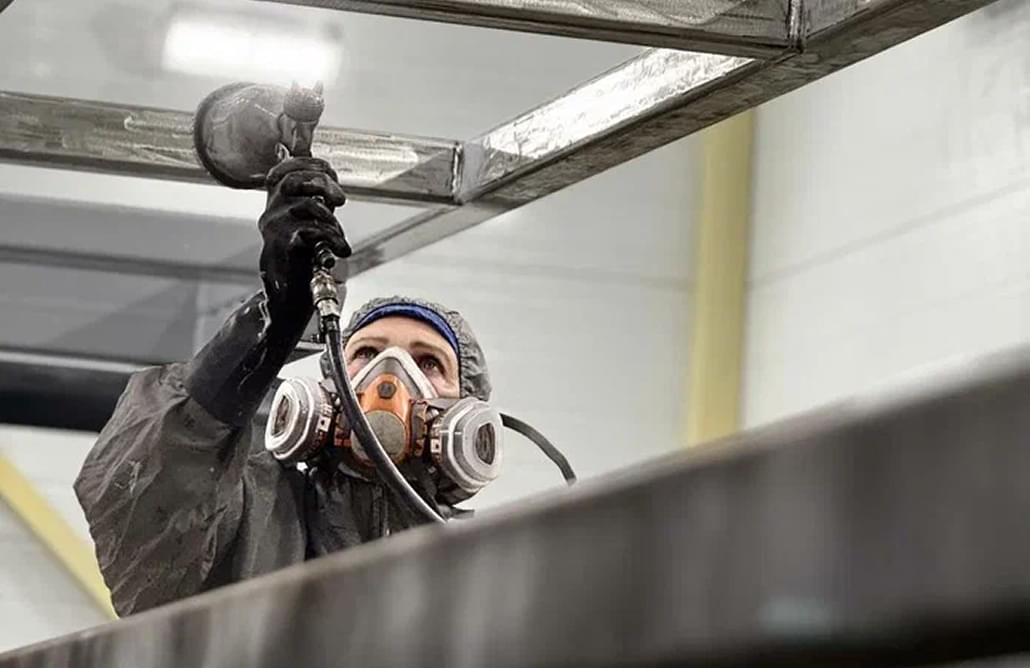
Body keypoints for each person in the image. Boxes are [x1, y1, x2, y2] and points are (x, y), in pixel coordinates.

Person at [74, 157, 492, 616]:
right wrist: (272, 324)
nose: (390, 379)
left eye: (428, 362)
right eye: (366, 354)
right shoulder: (249, 515)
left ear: (465, 413)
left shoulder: (492, 573)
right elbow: (142, 515)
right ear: (331, 388)